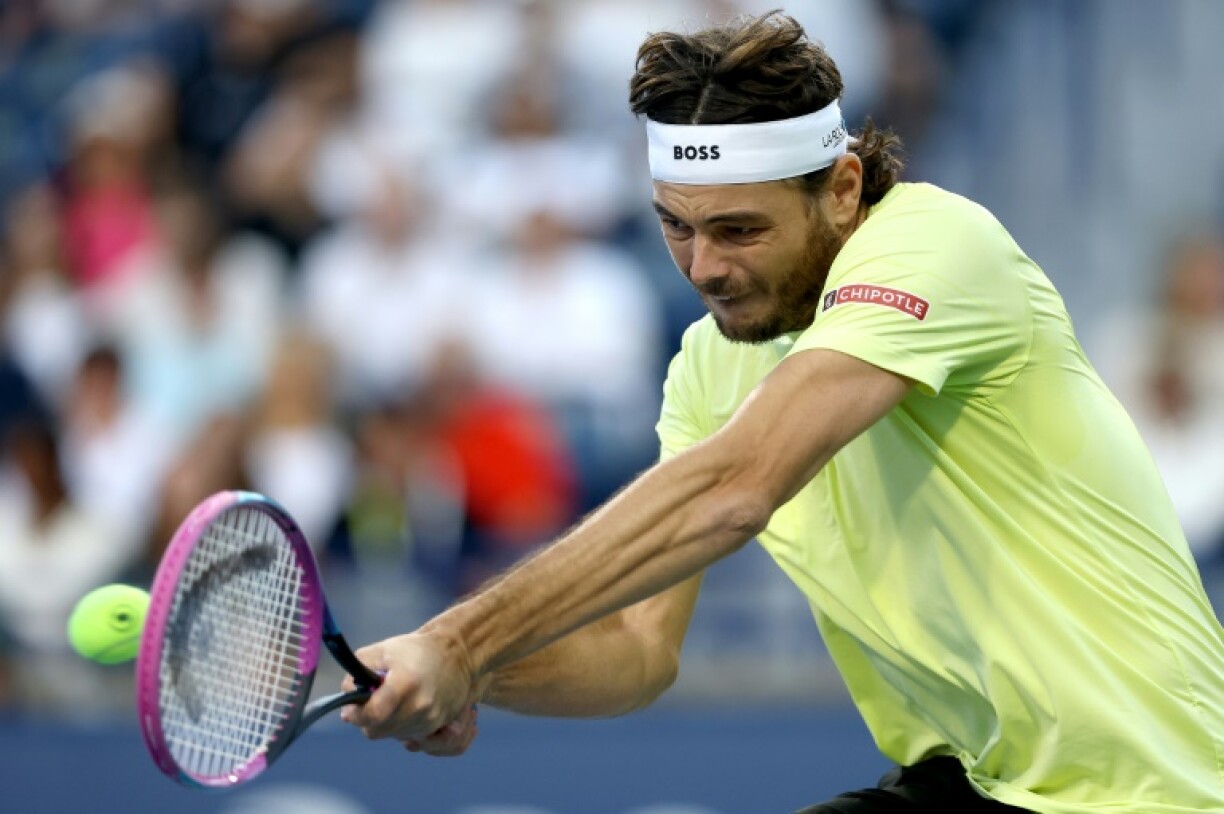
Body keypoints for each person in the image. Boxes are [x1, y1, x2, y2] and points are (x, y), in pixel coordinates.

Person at [339, 13, 1224, 813]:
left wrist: (461, 639)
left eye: (739, 230)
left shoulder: (938, 246)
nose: (703, 268)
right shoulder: (704, 369)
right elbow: (637, 649)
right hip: (973, 782)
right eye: (675, 226)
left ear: (842, 189)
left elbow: (736, 487)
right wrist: (469, 667)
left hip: (1152, 788)